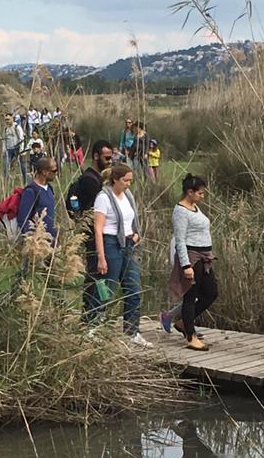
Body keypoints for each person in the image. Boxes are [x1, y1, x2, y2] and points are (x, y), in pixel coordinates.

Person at [93, 162, 149, 345]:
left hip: (128, 243)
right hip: (111, 243)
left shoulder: (128, 196)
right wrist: (101, 257)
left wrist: (136, 234)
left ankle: (132, 331)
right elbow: (98, 228)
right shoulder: (104, 197)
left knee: (133, 288)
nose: (128, 184)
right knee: (107, 288)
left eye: (130, 181)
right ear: (115, 179)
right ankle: (94, 324)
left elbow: (132, 219)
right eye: (125, 181)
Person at [160, 174, 216, 351]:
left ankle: (185, 323)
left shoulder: (194, 207)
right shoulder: (180, 211)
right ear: (190, 192)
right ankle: (191, 337)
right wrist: (186, 266)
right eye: (200, 193)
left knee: (211, 292)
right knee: (190, 296)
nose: (202, 196)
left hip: (205, 255)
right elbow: (180, 240)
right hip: (192, 256)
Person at [69, 141, 114, 317]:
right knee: (96, 273)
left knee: (98, 273)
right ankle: (91, 314)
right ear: (96, 156)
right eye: (107, 157)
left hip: (98, 233)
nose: (110, 161)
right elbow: (95, 210)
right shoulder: (90, 180)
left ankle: (96, 311)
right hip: (92, 234)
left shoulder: (98, 178)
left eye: (112, 157)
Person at [15, 153, 59, 246]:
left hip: (50, 242)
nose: (56, 173)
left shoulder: (49, 188)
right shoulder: (31, 191)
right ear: (44, 172)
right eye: (54, 170)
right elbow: (23, 220)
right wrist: (33, 240)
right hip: (38, 245)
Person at [2, 114, 24, 179]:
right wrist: (4, 149)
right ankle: (6, 177)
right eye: (5, 120)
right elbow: (4, 140)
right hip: (8, 149)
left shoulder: (17, 127)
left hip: (17, 148)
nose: (7, 121)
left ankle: (24, 176)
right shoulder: (6, 129)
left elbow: (21, 138)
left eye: (8, 119)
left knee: (21, 163)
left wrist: (21, 149)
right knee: (6, 163)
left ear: (12, 118)